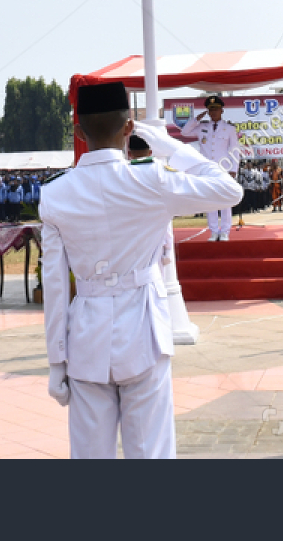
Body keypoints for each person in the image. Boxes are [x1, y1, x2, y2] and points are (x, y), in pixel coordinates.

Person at [42, 84, 241, 458]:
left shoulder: (55, 193)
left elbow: (54, 285)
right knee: (150, 451)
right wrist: (172, 148)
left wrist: (56, 360)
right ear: (129, 127)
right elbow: (229, 191)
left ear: (79, 131)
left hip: (86, 333)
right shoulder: (152, 179)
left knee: (89, 454)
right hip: (145, 329)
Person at [179, 95, 242, 240]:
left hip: (224, 169)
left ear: (222, 111)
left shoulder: (229, 129)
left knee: (225, 200)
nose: (213, 113)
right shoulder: (202, 127)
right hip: (206, 169)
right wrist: (196, 119)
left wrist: (234, 169)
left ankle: (225, 231)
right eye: (211, 110)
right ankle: (214, 231)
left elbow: (234, 150)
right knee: (210, 200)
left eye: (216, 109)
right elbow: (184, 132)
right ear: (207, 112)